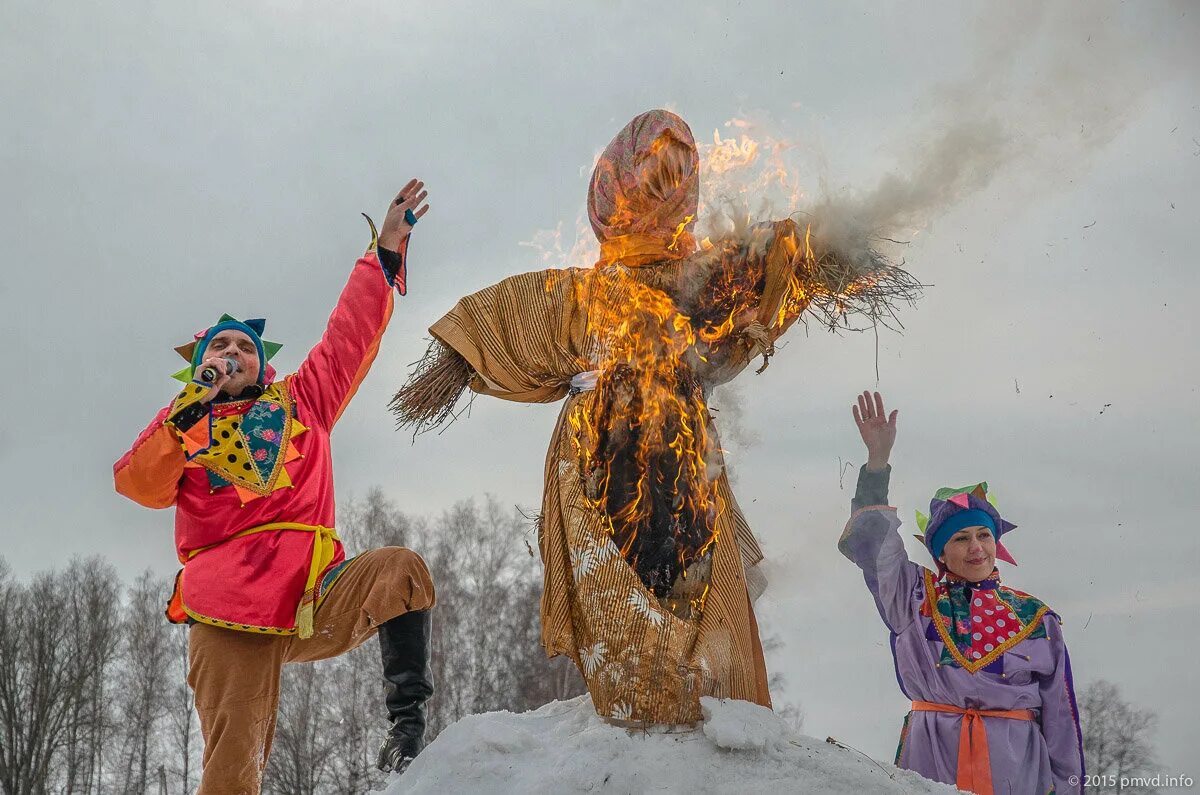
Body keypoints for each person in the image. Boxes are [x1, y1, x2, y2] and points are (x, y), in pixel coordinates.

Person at [389, 109, 909, 725]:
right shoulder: (579, 292)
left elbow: (783, 260)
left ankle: (702, 714)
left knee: (691, 573)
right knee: (623, 581)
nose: (667, 187)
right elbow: (497, 319)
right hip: (603, 452)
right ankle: (640, 717)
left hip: (685, 454)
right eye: (654, 172)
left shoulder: (706, 274)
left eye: (679, 173)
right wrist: (446, 368)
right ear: (618, 184)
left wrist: (838, 249)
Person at [114, 182, 435, 792]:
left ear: (264, 364)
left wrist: (384, 252)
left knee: (402, 572)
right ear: (200, 365)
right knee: (235, 762)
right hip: (227, 606)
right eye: (220, 346)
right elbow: (138, 484)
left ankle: (406, 738)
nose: (232, 352)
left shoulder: (302, 400)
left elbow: (348, 336)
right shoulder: (185, 422)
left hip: (313, 590)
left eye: (245, 347)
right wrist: (185, 419)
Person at [838, 390, 1084, 795]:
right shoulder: (914, 596)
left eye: (984, 535)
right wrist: (877, 462)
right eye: (961, 538)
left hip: (1016, 768)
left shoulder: (1037, 619)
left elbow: (1061, 718)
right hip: (932, 758)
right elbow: (874, 542)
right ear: (941, 553)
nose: (976, 547)